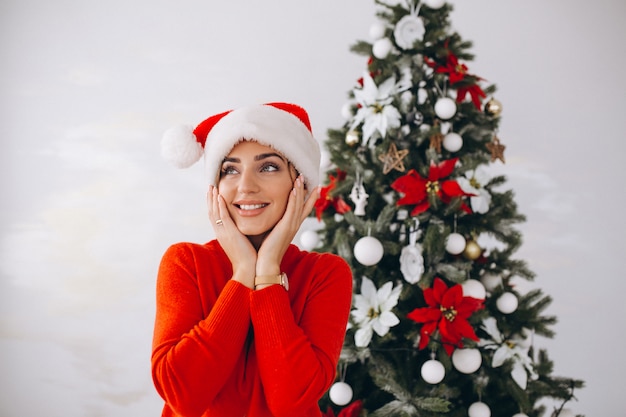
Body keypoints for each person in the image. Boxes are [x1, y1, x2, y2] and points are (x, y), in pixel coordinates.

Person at [152, 102, 353, 417]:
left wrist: (268, 270)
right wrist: (243, 272)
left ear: (300, 183)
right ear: (216, 188)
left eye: (268, 166)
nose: (245, 186)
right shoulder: (185, 262)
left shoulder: (324, 274)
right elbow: (183, 395)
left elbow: (291, 401)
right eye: (230, 169)